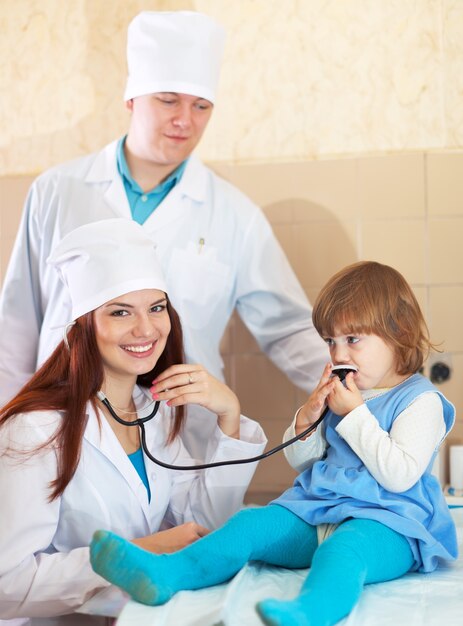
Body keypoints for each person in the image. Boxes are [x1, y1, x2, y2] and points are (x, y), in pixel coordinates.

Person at [0, 10, 328, 458]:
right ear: (132, 99)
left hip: (178, 437)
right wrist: (8, 424)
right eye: (168, 100)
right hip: (58, 428)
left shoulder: (233, 214)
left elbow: (287, 328)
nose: (185, 121)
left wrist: (364, 387)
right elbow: (16, 323)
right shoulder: (58, 191)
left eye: (201, 106)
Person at [89, 261, 457, 626]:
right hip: (321, 511)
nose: (339, 355)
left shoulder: (419, 401)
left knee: (343, 552)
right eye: (331, 341)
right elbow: (302, 461)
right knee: (250, 525)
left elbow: (399, 476)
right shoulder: (348, 392)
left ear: (398, 331)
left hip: (390, 525)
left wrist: (356, 413)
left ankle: (309, 613)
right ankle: (166, 574)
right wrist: (309, 419)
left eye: (352, 340)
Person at [0, 219, 266, 625]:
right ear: (81, 328)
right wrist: (145, 549)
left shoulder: (150, 411)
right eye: (121, 312)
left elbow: (200, 521)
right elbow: (7, 583)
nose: (146, 329)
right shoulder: (32, 430)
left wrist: (229, 415)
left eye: (156, 308)